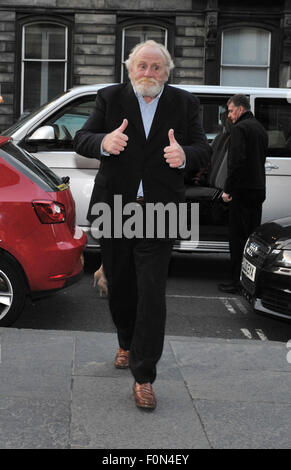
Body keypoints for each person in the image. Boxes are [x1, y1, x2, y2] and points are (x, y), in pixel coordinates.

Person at [74, 40, 211, 410]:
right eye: (142, 66)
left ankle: (144, 375)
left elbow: (204, 148)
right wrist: (105, 141)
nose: (148, 73)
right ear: (129, 68)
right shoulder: (109, 98)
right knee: (119, 284)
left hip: (161, 209)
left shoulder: (185, 103)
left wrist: (184, 155)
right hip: (116, 207)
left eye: (156, 67)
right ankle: (125, 339)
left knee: (152, 291)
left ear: (167, 71)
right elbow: (81, 139)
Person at [218, 94, 268, 294]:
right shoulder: (260, 129)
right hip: (257, 190)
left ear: (240, 109)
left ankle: (236, 282)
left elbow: (236, 163)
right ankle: (249, 282)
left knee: (237, 239)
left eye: (230, 111)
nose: (229, 116)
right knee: (250, 240)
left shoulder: (240, 129)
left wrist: (228, 190)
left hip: (242, 191)